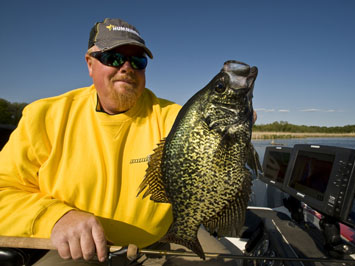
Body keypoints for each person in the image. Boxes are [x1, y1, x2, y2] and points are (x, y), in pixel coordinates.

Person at [0, 18, 237, 265]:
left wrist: (230, 133)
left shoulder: (179, 119)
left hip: (165, 239)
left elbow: (216, 165)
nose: (127, 67)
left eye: (137, 60)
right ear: (90, 64)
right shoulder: (44, 115)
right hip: (77, 251)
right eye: (113, 58)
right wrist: (56, 217)